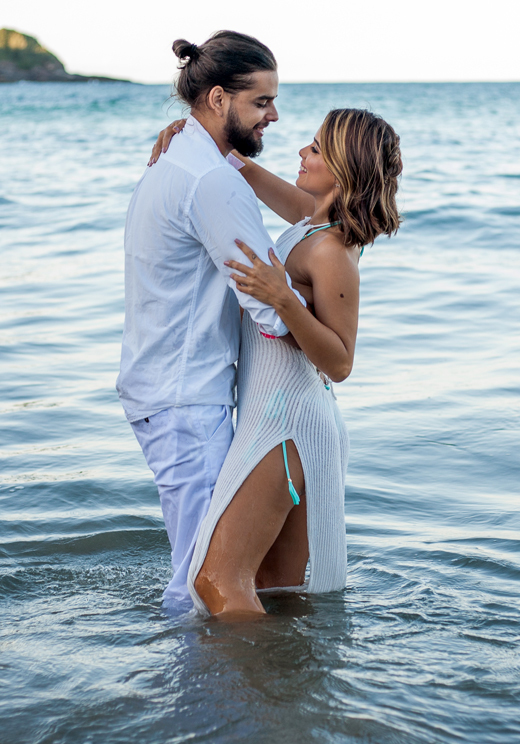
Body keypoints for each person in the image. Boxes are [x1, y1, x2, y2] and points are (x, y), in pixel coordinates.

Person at [151, 108, 403, 617]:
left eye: (315, 148)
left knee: (216, 581)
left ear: (344, 165)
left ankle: (232, 695)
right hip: (284, 415)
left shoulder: (331, 250)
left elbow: (341, 361)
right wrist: (193, 134)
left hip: (286, 424)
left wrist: (284, 301)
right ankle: (289, 688)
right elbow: (239, 170)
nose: (301, 153)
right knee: (275, 587)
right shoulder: (312, 221)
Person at [117, 31, 304, 610]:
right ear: (218, 99)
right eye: (261, 102)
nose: (274, 115)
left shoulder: (188, 163)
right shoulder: (210, 181)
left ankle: (203, 691)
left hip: (172, 390)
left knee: (205, 567)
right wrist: (329, 335)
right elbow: (269, 311)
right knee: (204, 577)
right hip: (186, 399)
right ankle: (196, 699)